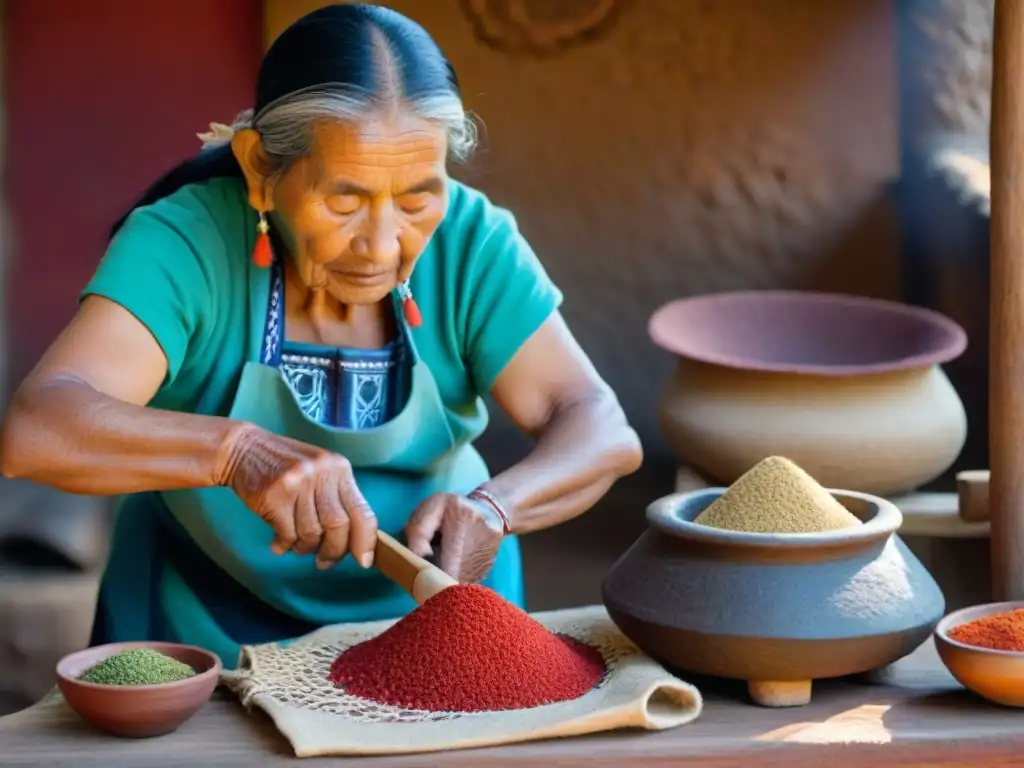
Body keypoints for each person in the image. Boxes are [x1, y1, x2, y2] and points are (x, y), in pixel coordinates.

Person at [0, 3, 641, 668]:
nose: (383, 243)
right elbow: (38, 429)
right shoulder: (184, 243)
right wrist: (235, 452)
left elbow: (598, 427)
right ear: (259, 170)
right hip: (204, 634)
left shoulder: (472, 242)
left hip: (436, 635)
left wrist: (497, 507)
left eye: (417, 198)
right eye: (344, 201)